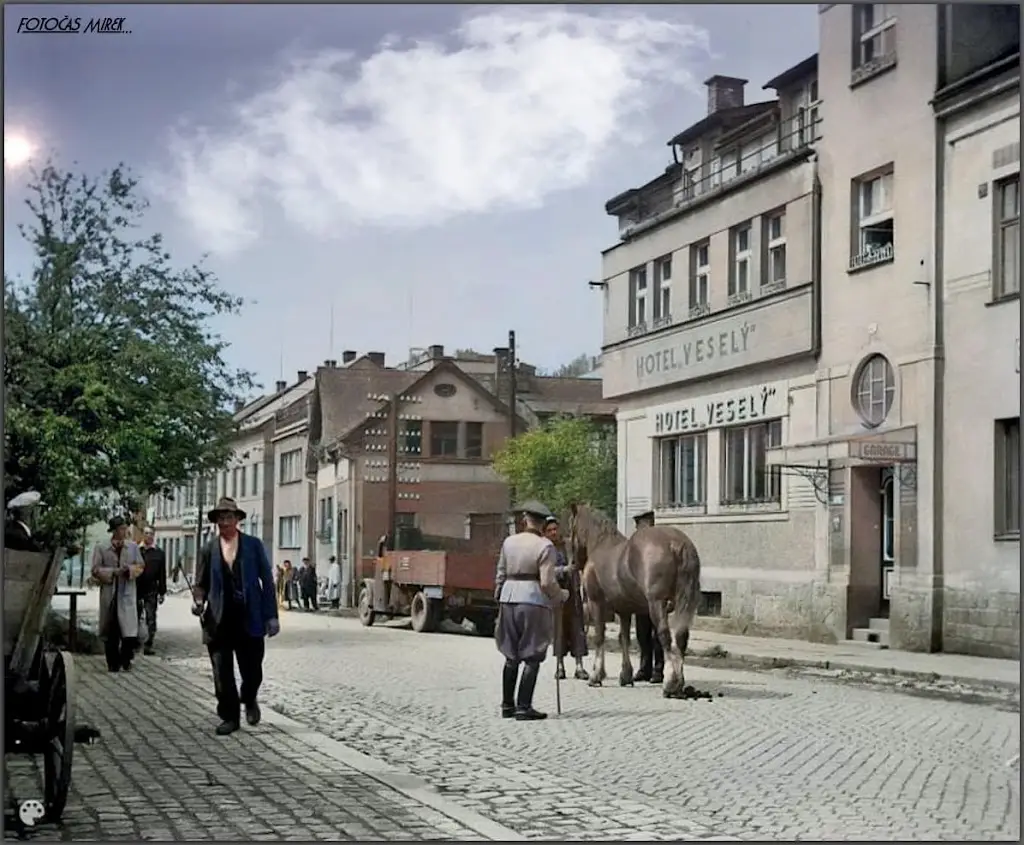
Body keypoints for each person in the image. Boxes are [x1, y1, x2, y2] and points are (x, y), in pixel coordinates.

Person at [191, 497, 280, 736]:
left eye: (229, 517)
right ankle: (229, 717)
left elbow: (267, 581)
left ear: (237, 520)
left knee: (252, 670)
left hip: (250, 617)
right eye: (220, 518)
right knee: (222, 674)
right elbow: (200, 584)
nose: (224, 522)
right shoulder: (208, 549)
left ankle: (249, 697)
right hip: (218, 620)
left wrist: (271, 616)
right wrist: (199, 602)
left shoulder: (253, 545)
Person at [494, 500, 569, 721]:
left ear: (525, 519)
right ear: (543, 523)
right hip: (533, 600)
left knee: (511, 654)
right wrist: (560, 596)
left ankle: (507, 705)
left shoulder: (509, 542)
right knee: (532, 653)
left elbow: (500, 573)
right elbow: (546, 581)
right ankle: (523, 707)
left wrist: (499, 594)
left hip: (509, 597)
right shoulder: (545, 546)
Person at [91, 516, 146, 672]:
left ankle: (126, 659)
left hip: (127, 592)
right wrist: (112, 573)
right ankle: (112, 663)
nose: (125, 531)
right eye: (121, 528)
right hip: (110, 593)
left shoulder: (133, 547)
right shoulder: (102, 547)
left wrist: (129, 571)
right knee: (111, 630)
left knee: (129, 631)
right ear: (114, 531)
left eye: (125, 528)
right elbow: (95, 569)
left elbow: (141, 566)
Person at [544, 516, 589, 682]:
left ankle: (579, 666)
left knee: (577, 628)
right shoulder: (546, 549)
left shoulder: (569, 545)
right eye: (549, 530)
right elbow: (545, 571)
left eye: (555, 529)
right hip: (556, 592)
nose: (554, 532)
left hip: (573, 591)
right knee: (559, 629)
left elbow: (580, 560)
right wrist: (563, 570)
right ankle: (560, 666)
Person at [632, 510, 665, 684]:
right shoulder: (636, 546)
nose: (639, 529)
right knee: (642, 634)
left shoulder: (659, 547)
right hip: (640, 598)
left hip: (657, 597)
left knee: (658, 634)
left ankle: (659, 670)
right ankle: (645, 668)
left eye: (642, 525)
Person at [136, 525, 167, 655]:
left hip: (151, 589)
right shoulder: (136, 550)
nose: (148, 536)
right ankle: (133, 642)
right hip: (136, 588)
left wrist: (162, 592)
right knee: (135, 616)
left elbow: (162, 574)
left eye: (151, 534)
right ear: (143, 534)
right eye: (146, 533)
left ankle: (148, 644)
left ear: (154, 536)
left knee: (151, 617)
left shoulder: (159, 553)